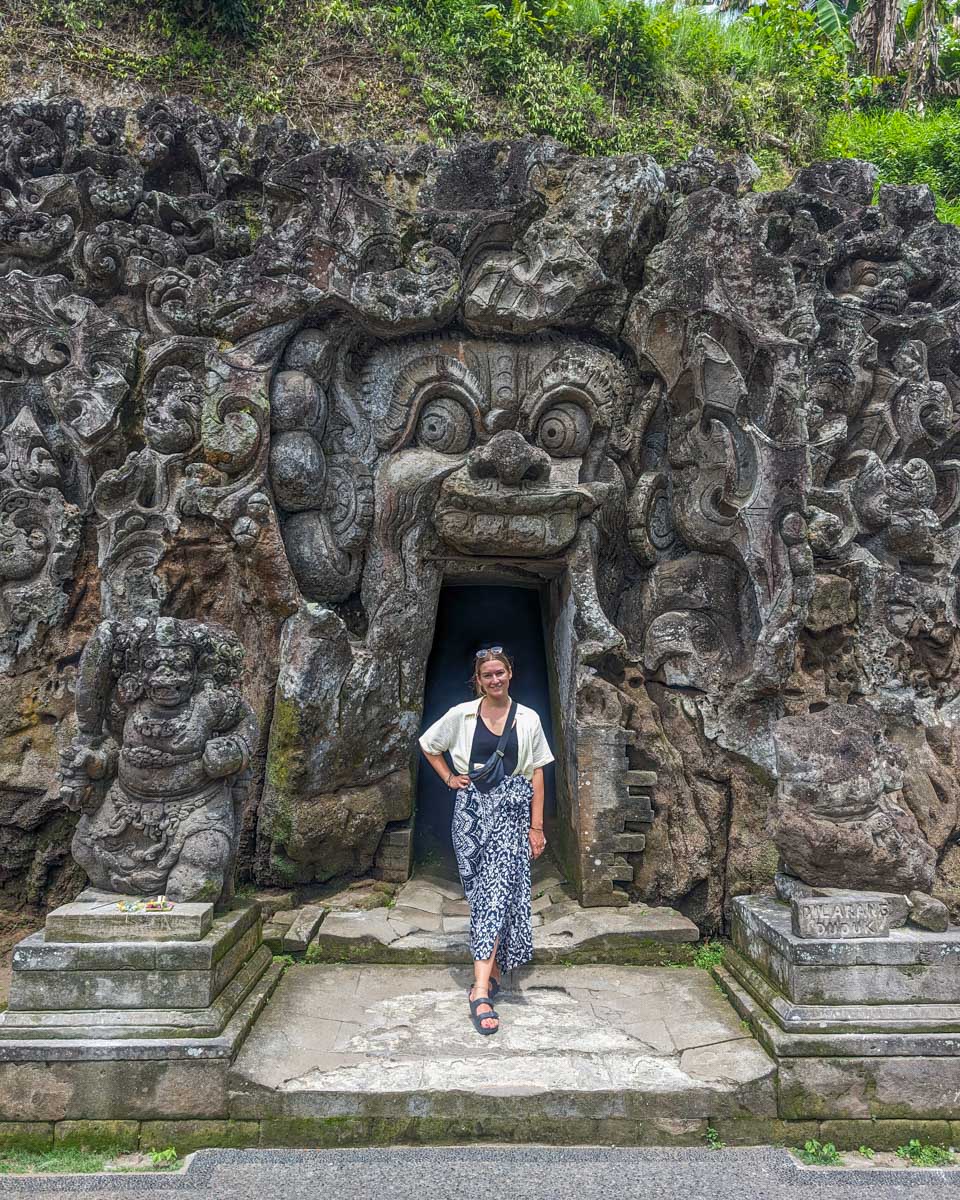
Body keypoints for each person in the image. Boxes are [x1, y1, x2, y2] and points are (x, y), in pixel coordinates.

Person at [419, 647, 554, 1036]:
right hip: (471, 816)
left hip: (512, 814)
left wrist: (537, 827)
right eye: (487, 675)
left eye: (500, 673)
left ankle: (479, 991)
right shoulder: (462, 715)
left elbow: (538, 773)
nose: (494, 680)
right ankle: (492, 969)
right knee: (483, 896)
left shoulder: (528, 718)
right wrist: (448, 778)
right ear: (478, 680)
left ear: (511, 673)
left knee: (496, 893)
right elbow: (429, 745)